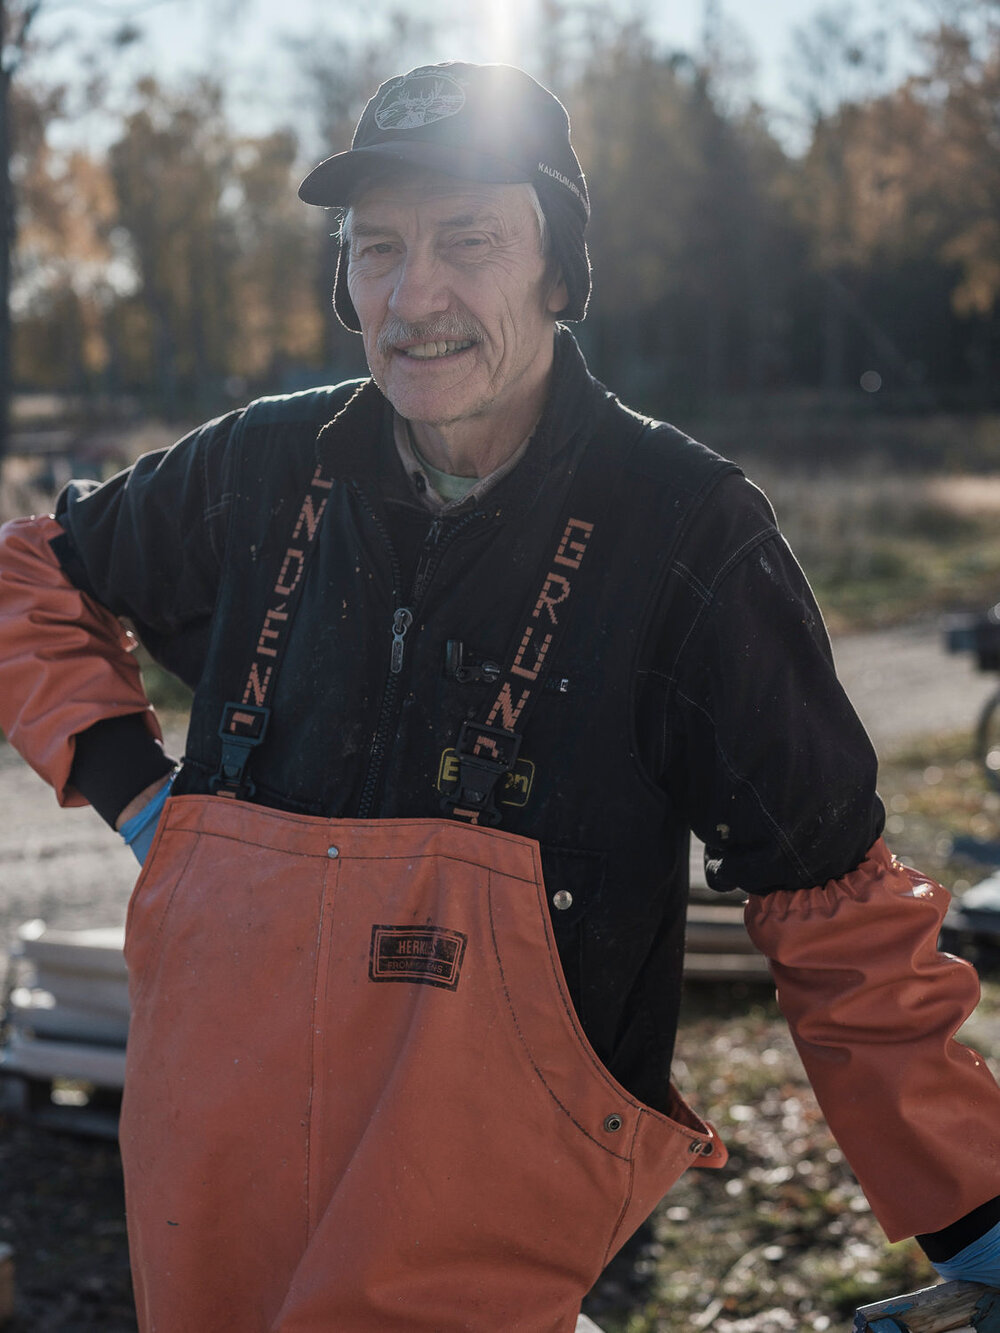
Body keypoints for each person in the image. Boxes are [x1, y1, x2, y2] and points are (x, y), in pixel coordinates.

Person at [1, 59, 999, 1332]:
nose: (415, 296)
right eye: (378, 248)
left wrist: (977, 1209)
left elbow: (833, 906)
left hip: (475, 1232)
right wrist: (141, 799)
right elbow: (31, 576)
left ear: (558, 272)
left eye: (468, 240)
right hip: (207, 1211)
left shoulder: (683, 531)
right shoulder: (259, 469)